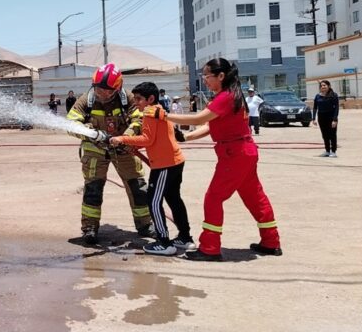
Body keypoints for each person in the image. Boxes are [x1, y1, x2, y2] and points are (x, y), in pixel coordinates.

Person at [145, 58, 281, 261]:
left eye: (207, 76)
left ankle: (210, 248)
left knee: (213, 199)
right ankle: (271, 242)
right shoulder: (232, 96)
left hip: (234, 155)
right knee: (255, 198)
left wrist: (164, 115)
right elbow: (210, 125)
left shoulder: (225, 97)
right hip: (244, 152)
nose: (205, 80)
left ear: (221, 76)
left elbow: (199, 118)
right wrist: (187, 137)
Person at [67, 63, 154, 245]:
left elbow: (139, 119)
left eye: (107, 91)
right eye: (98, 89)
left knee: (137, 187)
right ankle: (89, 228)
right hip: (95, 151)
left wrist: (126, 137)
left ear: (117, 88)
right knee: (93, 189)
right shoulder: (86, 100)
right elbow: (71, 123)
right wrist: (91, 133)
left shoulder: (127, 98)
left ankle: (145, 225)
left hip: (124, 149)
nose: (102, 94)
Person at [110, 82, 195, 256]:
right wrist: (137, 149)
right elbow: (156, 140)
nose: (136, 102)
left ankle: (164, 242)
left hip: (165, 165)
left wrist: (122, 139)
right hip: (174, 161)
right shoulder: (159, 111)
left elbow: (147, 139)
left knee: (154, 201)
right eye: (135, 98)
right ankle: (185, 238)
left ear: (151, 98)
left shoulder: (150, 112)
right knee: (173, 199)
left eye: (139, 99)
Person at [312, 80, 339, 157]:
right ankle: (327, 150)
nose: (323, 87)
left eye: (324, 85)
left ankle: (333, 151)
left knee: (332, 134)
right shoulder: (317, 96)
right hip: (321, 117)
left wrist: (335, 119)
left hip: (331, 117)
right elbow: (315, 108)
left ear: (329, 86)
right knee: (325, 135)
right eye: (321, 85)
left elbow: (336, 108)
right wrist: (313, 118)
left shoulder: (334, 95)